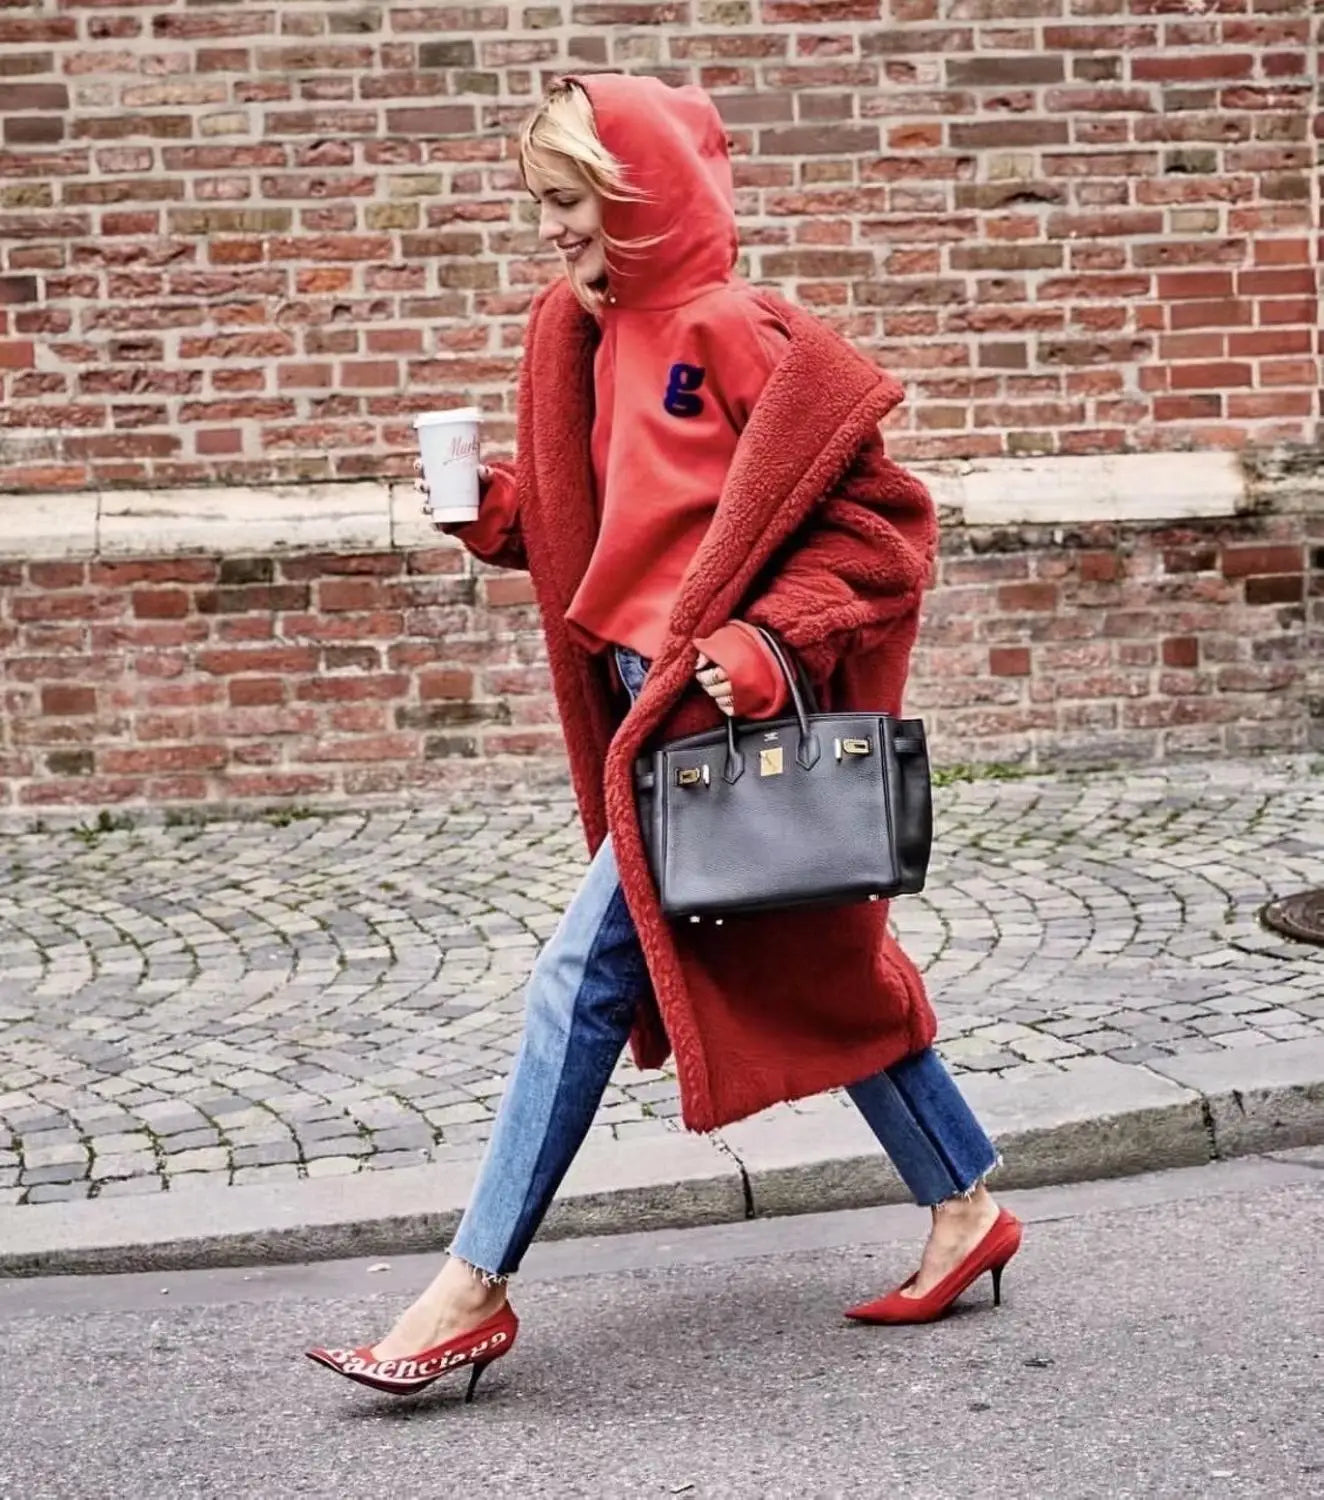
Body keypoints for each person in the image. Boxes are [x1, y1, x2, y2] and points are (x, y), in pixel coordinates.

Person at [307, 74, 1022, 1401]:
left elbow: (881, 532)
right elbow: (611, 531)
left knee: (578, 978)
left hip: (712, 705)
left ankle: (469, 1288)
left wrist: (768, 641)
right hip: (644, 701)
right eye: (540, 205)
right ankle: (965, 1202)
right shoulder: (576, 333)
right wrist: (496, 511)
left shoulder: (736, 330)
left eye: (567, 201)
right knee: (812, 958)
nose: (550, 230)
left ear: (635, 195)